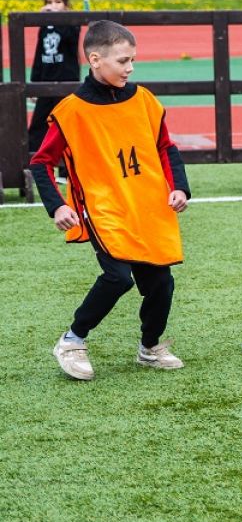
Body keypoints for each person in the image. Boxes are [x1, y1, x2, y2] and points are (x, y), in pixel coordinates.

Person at [29, 20, 189, 380]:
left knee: (161, 283)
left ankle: (150, 347)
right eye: (122, 61)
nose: (130, 68)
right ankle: (73, 339)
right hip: (104, 210)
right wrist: (58, 205)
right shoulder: (71, 110)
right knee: (118, 277)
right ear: (95, 59)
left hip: (147, 207)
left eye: (133, 60)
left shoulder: (145, 100)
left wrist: (178, 185)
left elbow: (166, 146)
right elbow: (40, 162)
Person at [27, 0, 82, 153]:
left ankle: (66, 169)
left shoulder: (71, 25)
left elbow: (68, 37)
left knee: (64, 125)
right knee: (39, 125)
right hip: (45, 82)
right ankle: (32, 163)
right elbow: (39, 55)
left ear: (66, 5)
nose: (53, 5)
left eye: (58, 2)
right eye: (50, 2)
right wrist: (34, 83)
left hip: (65, 81)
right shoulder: (44, 26)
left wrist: (57, 19)